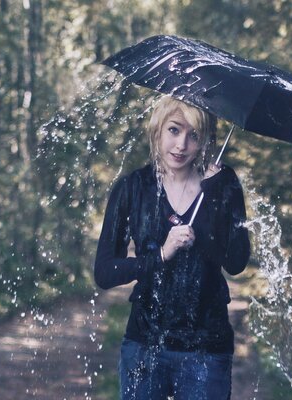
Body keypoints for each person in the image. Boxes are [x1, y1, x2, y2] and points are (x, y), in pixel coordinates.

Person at [94, 96, 250, 400]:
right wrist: (161, 255)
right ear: (157, 131)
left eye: (193, 135)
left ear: (205, 139)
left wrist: (214, 196)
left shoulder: (222, 184)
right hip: (144, 345)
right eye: (174, 130)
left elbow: (236, 261)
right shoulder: (133, 188)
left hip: (207, 349)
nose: (181, 145)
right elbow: (104, 272)